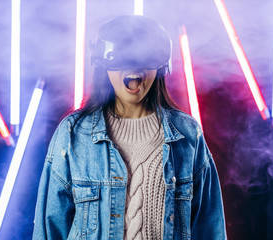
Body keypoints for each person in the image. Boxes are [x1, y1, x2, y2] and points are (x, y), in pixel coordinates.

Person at [32, 15, 226, 240]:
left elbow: (210, 231)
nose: (134, 66)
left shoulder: (188, 136)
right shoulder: (73, 135)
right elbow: (48, 231)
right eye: (123, 58)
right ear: (104, 65)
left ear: (161, 67)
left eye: (144, 57)